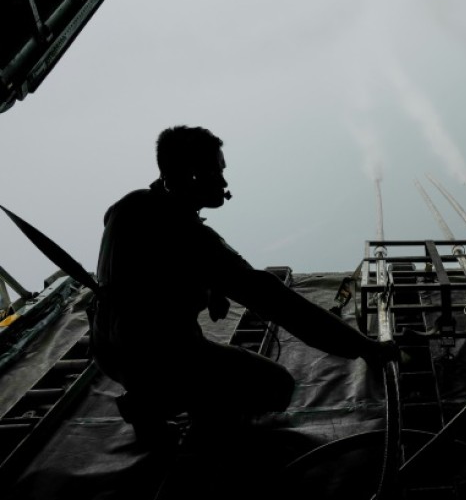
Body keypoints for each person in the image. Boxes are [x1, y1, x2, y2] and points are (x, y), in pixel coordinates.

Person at [91, 125, 397, 443]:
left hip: (111, 353)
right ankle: (199, 428)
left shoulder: (126, 207)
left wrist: (209, 289)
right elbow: (274, 299)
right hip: (164, 357)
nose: (224, 182)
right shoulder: (193, 237)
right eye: (217, 172)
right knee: (274, 386)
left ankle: (149, 405)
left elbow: (148, 270)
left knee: (172, 357)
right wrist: (364, 347)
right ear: (193, 175)